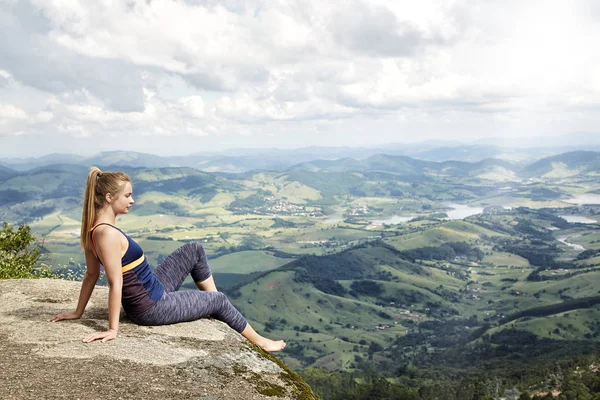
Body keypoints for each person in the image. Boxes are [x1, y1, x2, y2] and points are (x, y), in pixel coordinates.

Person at [49, 167, 286, 352]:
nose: (132, 201)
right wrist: (112, 329)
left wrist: (78, 311)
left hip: (153, 288)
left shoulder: (96, 229)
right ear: (110, 197)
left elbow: (91, 274)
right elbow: (114, 282)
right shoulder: (106, 234)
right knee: (220, 300)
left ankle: (212, 306)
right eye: (128, 196)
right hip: (152, 307)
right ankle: (259, 340)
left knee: (194, 249)